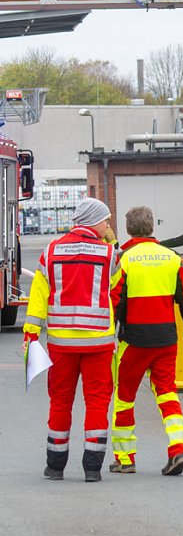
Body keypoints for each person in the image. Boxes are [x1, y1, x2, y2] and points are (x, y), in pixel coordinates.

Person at [23, 198, 121, 482]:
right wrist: (112, 242)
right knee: (98, 402)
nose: (108, 225)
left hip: (61, 344)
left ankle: (55, 466)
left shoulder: (51, 250)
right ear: (93, 221)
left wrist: (31, 333)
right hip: (98, 342)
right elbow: (115, 285)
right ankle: (92, 468)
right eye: (106, 220)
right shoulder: (108, 254)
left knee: (60, 401)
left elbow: (40, 296)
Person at [109, 206, 183, 476]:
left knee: (124, 398)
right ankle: (178, 449)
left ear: (128, 229)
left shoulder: (125, 259)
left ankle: (125, 459)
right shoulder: (172, 258)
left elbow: (115, 299)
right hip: (166, 339)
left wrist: (108, 334)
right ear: (151, 228)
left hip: (133, 341)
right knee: (168, 395)